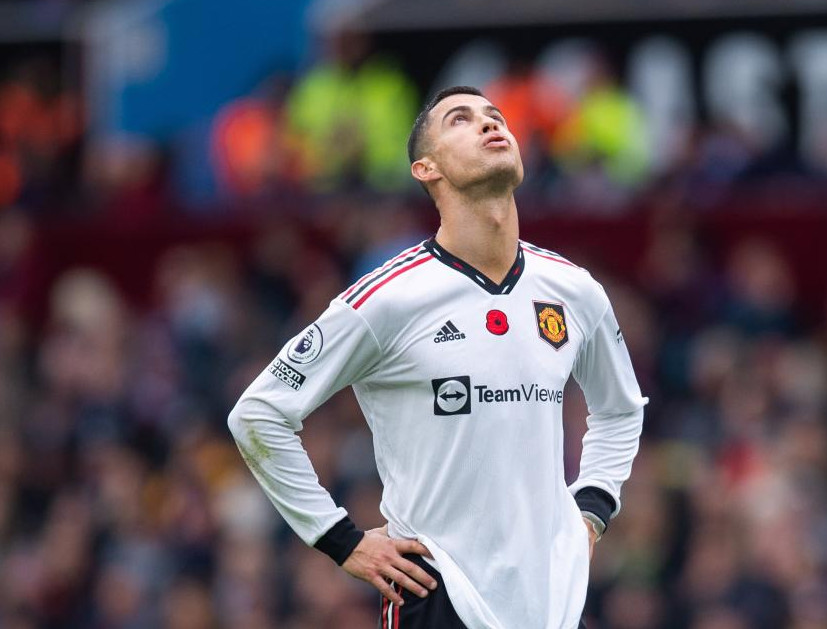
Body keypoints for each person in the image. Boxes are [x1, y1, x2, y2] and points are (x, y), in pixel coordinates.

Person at [227, 86, 647, 628]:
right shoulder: (389, 298)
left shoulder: (574, 289)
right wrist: (341, 541)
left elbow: (620, 409)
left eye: (496, 117)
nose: (491, 124)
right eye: (461, 120)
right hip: (439, 593)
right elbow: (258, 414)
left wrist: (592, 509)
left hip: (554, 600)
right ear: (426, 168)